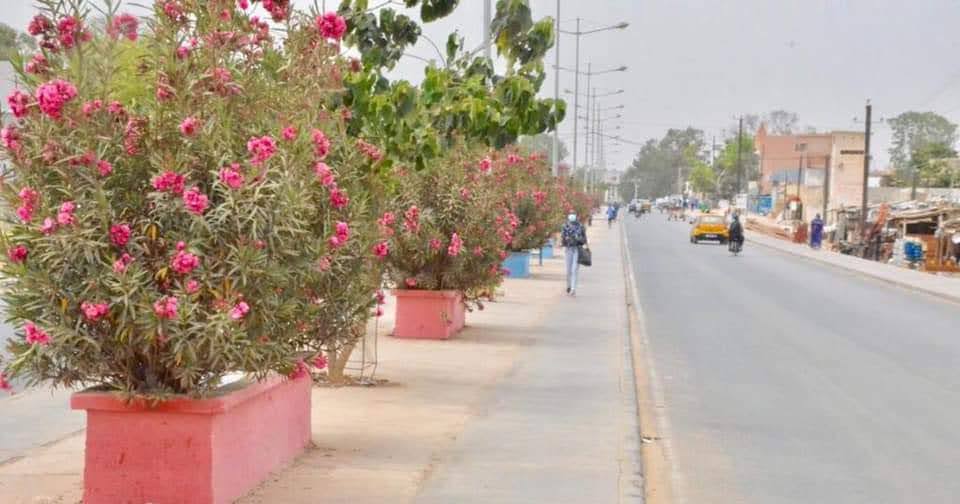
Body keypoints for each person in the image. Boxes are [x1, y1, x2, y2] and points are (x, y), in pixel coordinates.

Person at [561, 214, 587, 296]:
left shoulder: (581, 226)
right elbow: (563, 238)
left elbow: (584, 239)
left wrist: (578, 239)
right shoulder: (565, 226)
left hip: (577, 249)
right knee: (568, 270)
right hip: (568, 249)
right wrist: (565, 240)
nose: (571, 222)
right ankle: (568, 286)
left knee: (574, 270)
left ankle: (573, 289)